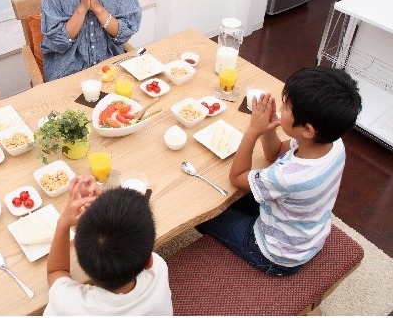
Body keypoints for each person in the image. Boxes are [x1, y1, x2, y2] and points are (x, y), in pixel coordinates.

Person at [197, 66, 362, 276]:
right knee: (230, 199)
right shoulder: (333, 142)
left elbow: (236, 177)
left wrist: (253, 131)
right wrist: (272, 125)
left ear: (308, 130)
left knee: (206, 212)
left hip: (276, 254)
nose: (281, 109)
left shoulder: (287, 177)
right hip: (306, 232)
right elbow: (274, 153)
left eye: (285, 108)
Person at [44, 176, 173, 315]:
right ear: (149, 261)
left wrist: (63, 223)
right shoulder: (159, 269)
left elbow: (56, 271)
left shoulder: (67, 302)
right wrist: (105, 209)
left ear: (76, 247)